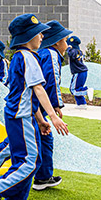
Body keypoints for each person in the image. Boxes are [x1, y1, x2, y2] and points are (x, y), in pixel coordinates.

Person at [0, 14, 69, 200]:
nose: (42, 36)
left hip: (21, 115)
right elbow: (39, 89)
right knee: (28, 162)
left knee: (29, 158)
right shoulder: (28, 57)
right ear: (28, 36)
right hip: (20, 116)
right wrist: (53, 116)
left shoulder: (19, 57)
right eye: (38, 33)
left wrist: (40, 119)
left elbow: (27, 93)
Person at [33, 20, 71, 191]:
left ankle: (43, 177)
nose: (67, 44)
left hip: (38, 105)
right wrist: (57, 105)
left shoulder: (44, 53)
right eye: (65, 40)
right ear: (57, 41)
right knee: (20, 143)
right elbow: (52, 80)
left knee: (44, 137)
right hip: (34, 105)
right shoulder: (51, 54)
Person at [66, 36, 89, 108]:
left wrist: (68, 48)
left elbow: (70, 54)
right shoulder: (79, 51)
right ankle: (82, 104)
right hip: (82, 72)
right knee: (78, 87)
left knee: (73, 89)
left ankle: (87, 91)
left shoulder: (74, 51)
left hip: (78, 72)